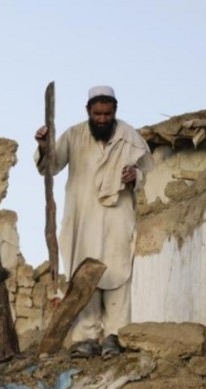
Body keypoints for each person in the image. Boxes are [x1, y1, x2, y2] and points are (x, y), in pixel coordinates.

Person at [34, 85, 153, 358]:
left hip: (117, 217)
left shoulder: (130, 137)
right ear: (88, 111)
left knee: (117, 272)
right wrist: (43, 145)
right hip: (82, 217)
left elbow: (149, 172)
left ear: (115, 111)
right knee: (82, 273)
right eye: (97, 114)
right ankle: (85, 339)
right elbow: (50, 167)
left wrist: (135, 176)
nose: (102, 119)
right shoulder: (74, 135)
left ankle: (115, 336)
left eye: (107, 114)